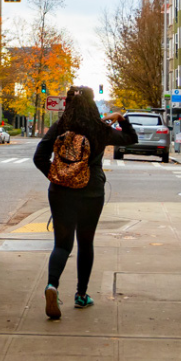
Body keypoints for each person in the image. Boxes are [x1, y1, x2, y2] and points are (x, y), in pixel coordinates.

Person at [33, 86, 138, 319]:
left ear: (67, 105)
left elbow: (38, 157)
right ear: (92, 105)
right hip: (91, 192)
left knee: (61, 245)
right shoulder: (99, 129)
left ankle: (52, 286)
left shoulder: (59, 127)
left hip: (60, 192)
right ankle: (81, 295)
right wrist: (121, 119)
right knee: (85, 241)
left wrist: (56, 176)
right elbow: (131, 139)